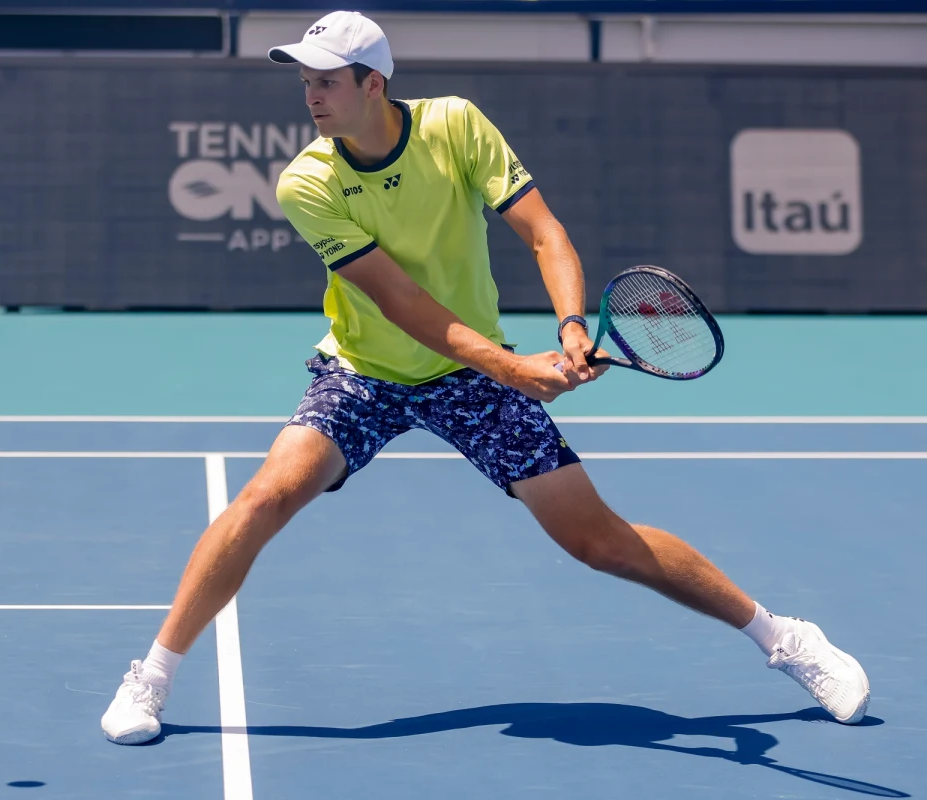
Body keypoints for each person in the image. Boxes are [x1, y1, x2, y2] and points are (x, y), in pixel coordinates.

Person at [101, 10, 870, 745]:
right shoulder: (307, 182)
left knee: (601, 544)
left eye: (326, 81)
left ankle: (788, 639)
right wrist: (515, 368)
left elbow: (544, 231)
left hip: (469, 378)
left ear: (374, 84)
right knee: (268, 493)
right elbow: (402, 303)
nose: (310, 97)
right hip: (366, 371)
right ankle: (153, 675)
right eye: (304, 82)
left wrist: (570, 329)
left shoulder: (455, 125)